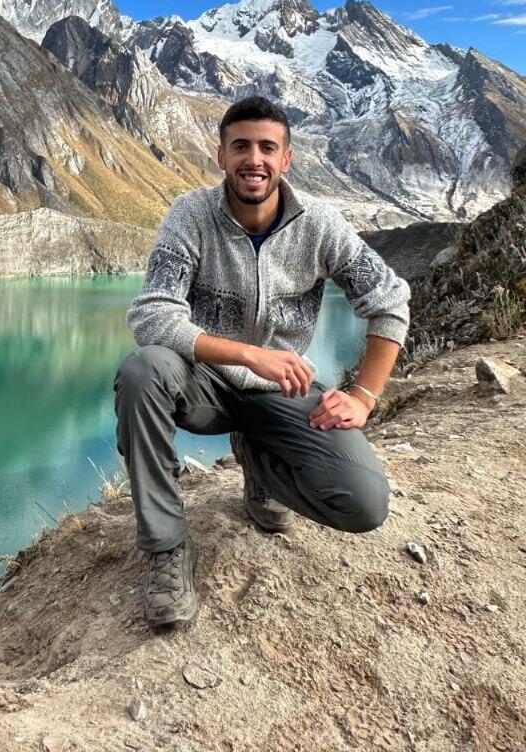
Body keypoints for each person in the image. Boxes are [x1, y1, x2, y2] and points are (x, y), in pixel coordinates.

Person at [113, 94, 410, 628]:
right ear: (221, 155)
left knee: (364, 503)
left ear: (286, 158)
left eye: (268, 148)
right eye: (241, 146)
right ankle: (166, 548)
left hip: (280, 393)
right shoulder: (190, 214)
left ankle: (260, 468)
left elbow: (389, 301)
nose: (254, 159)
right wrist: (250, 354)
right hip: (201, 383)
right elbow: (152, 315)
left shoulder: (320, 224)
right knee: (142, 372)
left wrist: (364, 396)